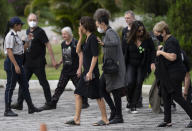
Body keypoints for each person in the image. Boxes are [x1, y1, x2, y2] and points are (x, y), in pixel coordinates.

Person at [65, 16, 109, 126]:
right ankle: (77, 119)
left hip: (91, 73)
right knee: (78, 94)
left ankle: (105, 119)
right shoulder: (87, 38)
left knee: (97, 96)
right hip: (87, 72)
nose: (79, 27)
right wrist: (80, 37)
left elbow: (95, 56)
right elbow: (78, 50)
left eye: (80, 25)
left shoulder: (93, 39)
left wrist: (89, 72)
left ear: (85, 25)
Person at [11, 13, 57, 111]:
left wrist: (53, 60)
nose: (32, 22)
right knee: (23, 82)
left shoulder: (41, 32)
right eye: (30, 20)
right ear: (27, 21)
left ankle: (50, 103)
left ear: (37, 21)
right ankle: (19, 103)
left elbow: (48, 45)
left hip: (38, 63)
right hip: (27, 63)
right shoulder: (27, 31)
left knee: (43, 82)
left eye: (34, 20)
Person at [153, 21, 192, 128]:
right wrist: (162, 49)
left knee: (177, 96)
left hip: (176, 73)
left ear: (164, 32)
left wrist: (161, 52)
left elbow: (173, 57)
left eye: (158, 34)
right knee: (166, 95)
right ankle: (167, 120)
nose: (157, 37)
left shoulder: (171, 41)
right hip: (169, 73)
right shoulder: (168, 42)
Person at [3, 16, 40, 116]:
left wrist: (28, 40)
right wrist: (16, 65)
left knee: (24, 85)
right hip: (12, 63)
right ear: (15, 25)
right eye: (20, 24)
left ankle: (31, 107)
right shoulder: (10, 35)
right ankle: (7, 110)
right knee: (10, 87)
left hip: (18, 62)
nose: (21, 26)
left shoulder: (16, 35)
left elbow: (22, 48)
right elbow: (9, 51)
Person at [94, 8, 125, 124]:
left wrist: (104, 43)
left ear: (102, 23)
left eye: (98, 24)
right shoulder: (108, 33)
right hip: (109, 68)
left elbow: (116, 43)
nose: (97, 27)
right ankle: (114, 111)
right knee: (102, 88)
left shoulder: (110, 32)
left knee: (115, 90)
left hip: (113, 68)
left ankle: (119, 116)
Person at [46, 26, 89, 109]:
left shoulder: (75, 43)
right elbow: (65, 55)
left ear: (69, 34)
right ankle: (53, 102)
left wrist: (80, 69)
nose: (63, 35)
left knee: (79, 86)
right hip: (65, 70)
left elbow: (81, 55)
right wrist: (59, 63)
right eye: (62, 34)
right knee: (60, 86)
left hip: (75, 70)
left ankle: (85, 102)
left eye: (65, 34)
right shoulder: (63, 44)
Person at [125, 20, 156, 113]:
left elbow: (153, 51)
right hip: (131, 64)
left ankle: (133, 105)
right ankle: (129, 101)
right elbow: (124, 53)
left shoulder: (147, 39)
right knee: (130, 83)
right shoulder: (128, 39)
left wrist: (152, 62)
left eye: (142, 30)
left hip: (142, 65)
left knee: (139, 83)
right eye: (139, 31)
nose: (141, 32)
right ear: (134, 31)